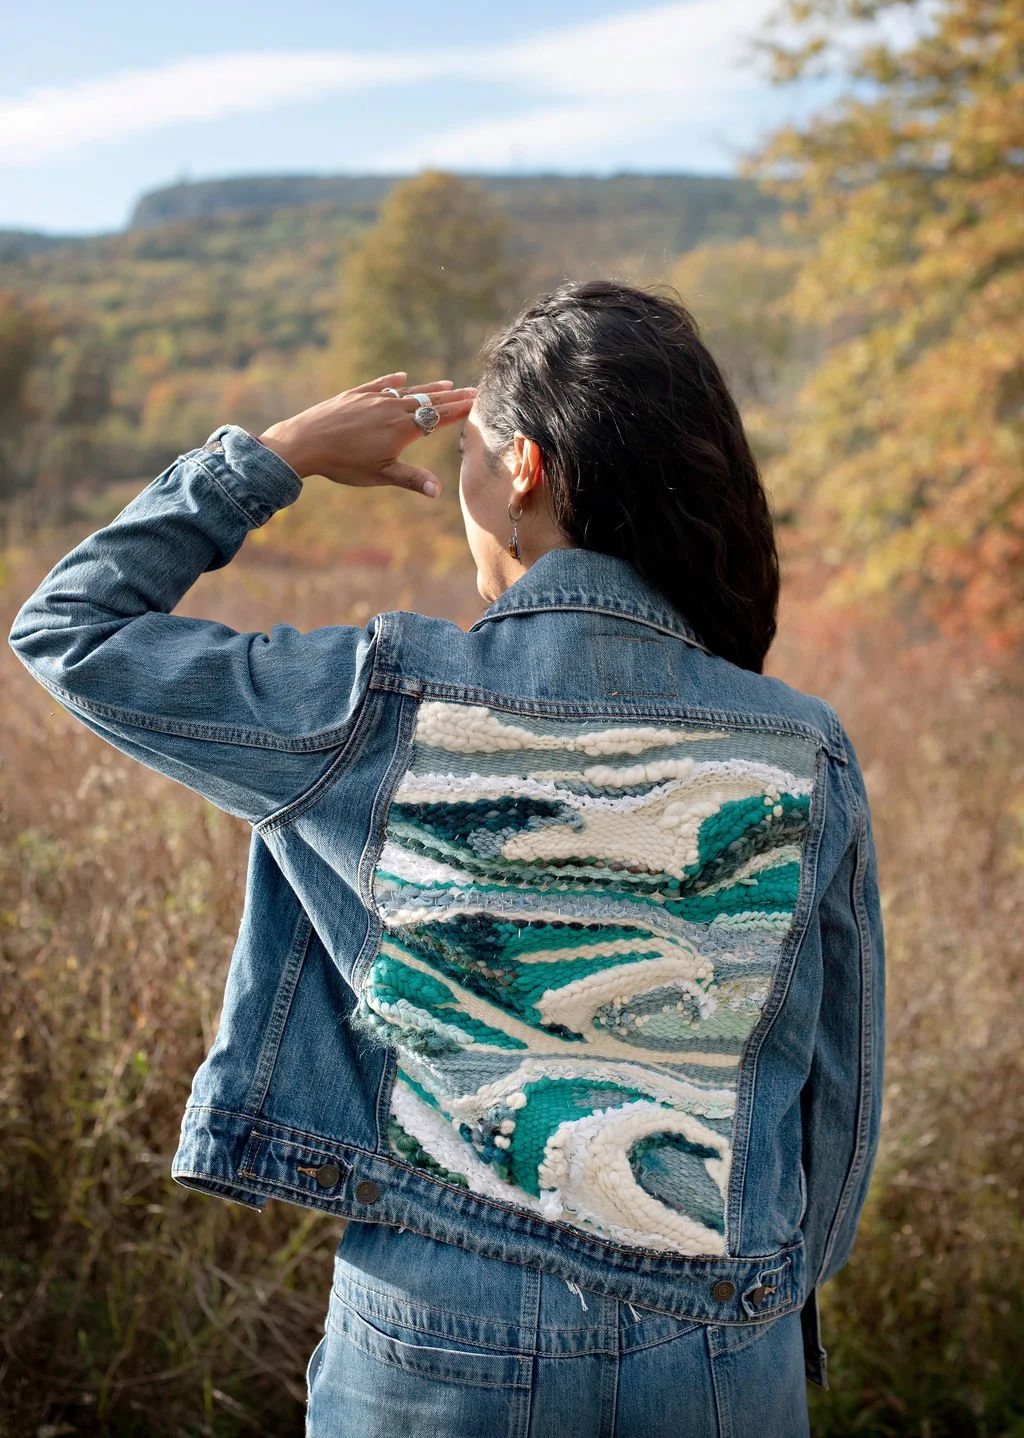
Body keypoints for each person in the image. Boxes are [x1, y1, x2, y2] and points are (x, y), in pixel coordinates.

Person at [9, 279, 885, 1437]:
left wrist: (276, 454)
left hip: (437, 1337)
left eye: (469, 456)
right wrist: (753, 1301)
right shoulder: (800, 744)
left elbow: (72, 629)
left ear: (522, 468)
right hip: (725, 1347)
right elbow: (838, 1095)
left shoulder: (375, 703)